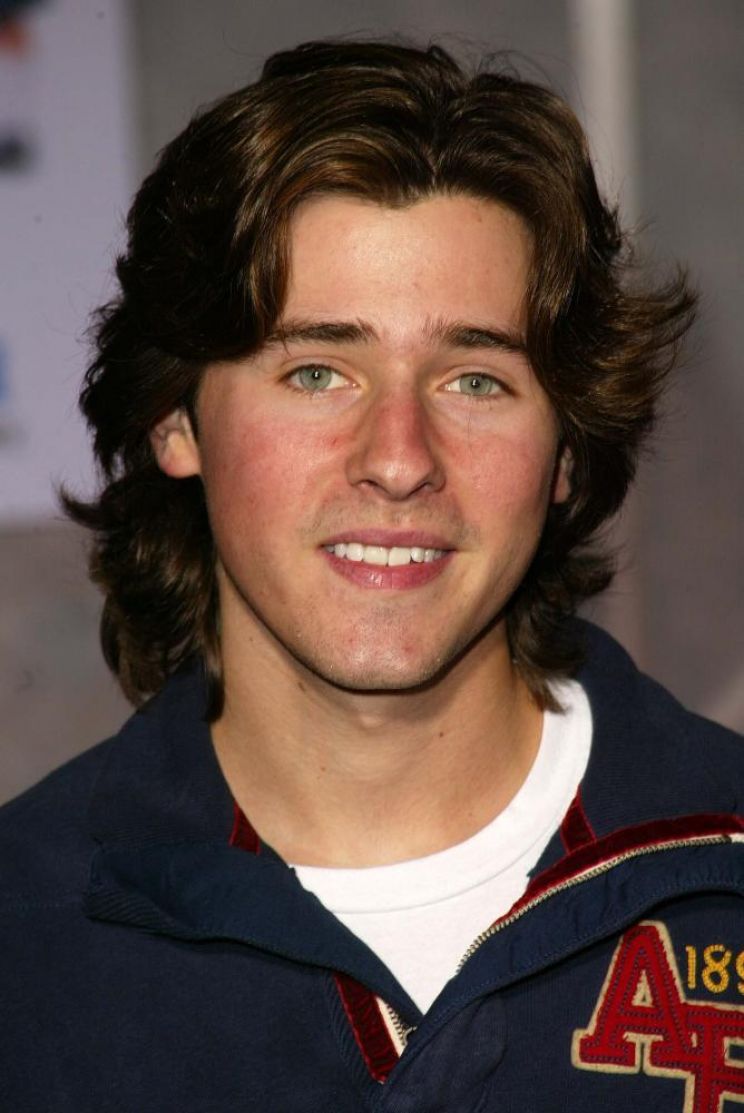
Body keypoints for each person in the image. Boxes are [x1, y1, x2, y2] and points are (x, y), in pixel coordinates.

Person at [2, 38, 743, 1113]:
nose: (398, 459)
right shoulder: (27, 938)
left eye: (476, 380)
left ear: (567, 452)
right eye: (317, 371)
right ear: (175, 420)